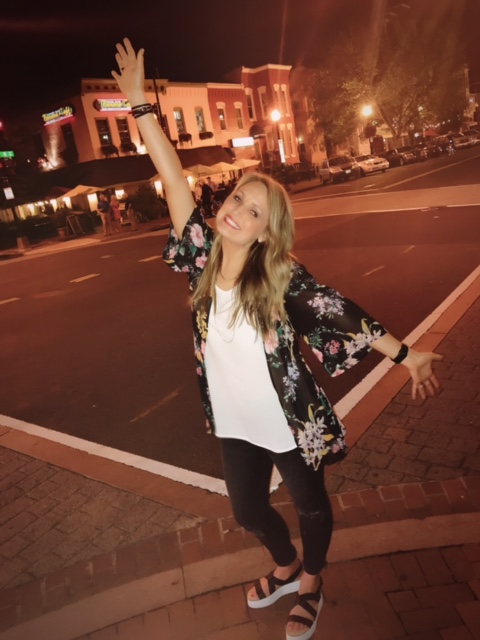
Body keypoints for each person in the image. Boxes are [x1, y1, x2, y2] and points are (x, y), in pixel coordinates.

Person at [112, 38, 443, 640]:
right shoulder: (200, 259)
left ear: (267, 233)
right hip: (233, 420)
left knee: (311, 506)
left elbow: (339, 312)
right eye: (238, 197)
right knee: (246, 511)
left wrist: (405, 355)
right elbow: (173, 177)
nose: (237, 209)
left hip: (289, 420)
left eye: (254, 211)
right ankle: (286, 565)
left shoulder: (280, 276)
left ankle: (310, 581)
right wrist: (139, 107)